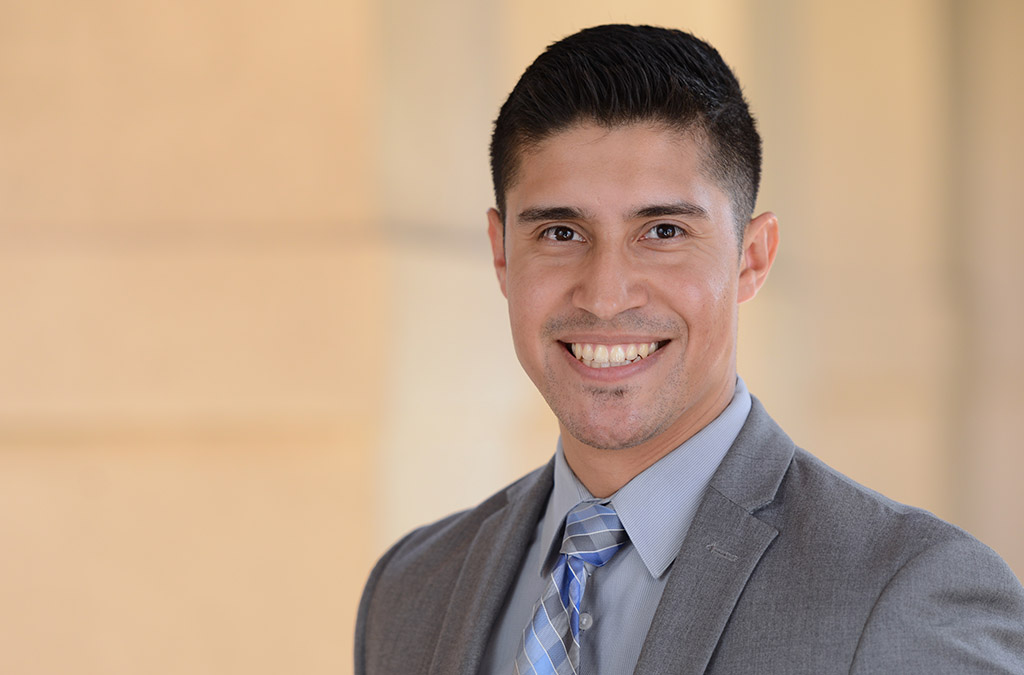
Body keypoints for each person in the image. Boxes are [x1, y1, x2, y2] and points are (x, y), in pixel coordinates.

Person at [354, 24, 1024, 675]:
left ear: (751, 258)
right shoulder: (411, 588)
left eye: (664, 231)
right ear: (502, 255)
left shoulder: (908, 593)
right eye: (560, 233)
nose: (605, 296)